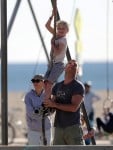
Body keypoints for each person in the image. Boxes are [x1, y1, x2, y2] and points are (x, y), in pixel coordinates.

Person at [44, 59, 85, 145]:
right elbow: (52, 107)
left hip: (73, 127)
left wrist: (54, 104)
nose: (72, 65)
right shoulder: (57, 86)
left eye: (75, 65)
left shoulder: (78, 86)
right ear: (64, 68)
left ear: (77, 71)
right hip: (58, 127)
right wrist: (48, 103)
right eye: (70, 63)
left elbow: (73, 108)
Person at [44, 9, 69, 101]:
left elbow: (58, 52)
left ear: (67, 30)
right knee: (45, 82)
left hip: (58, 64)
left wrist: (53, 43)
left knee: (49, 83)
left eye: (63, 29)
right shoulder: (56, 35)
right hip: (52, 63)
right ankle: (48, 98)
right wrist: (52, 16)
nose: (61, 30)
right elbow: (47, 26)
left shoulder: (63, 40)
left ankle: (47, 101)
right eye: (59, 28)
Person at [24, 74, 52, 145]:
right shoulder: (28, 96)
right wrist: (43, 113)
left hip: (46, 129)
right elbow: (30, 113)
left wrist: (37, 111)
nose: (35, 83)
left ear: (43, 82)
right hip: (33, 130)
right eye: (33, 81)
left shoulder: (48, 94)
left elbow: (50, 111)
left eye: (37, 81)